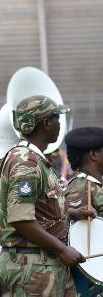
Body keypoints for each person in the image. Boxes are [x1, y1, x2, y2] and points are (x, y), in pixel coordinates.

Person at [0, 95, 84, 296]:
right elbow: (21, 220)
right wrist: (62, 249)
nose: (59, 124)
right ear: (45, 123)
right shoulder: (25, 163)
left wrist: (71, 213)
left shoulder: (34, 159)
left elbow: (39, 211)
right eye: (56, 118)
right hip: (33, 265)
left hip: (46, 260)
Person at [63, 126, 103, 296]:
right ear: (93, 155)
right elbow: (72, 237)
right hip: (88, 283)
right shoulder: (81, 188)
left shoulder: (94, 185)